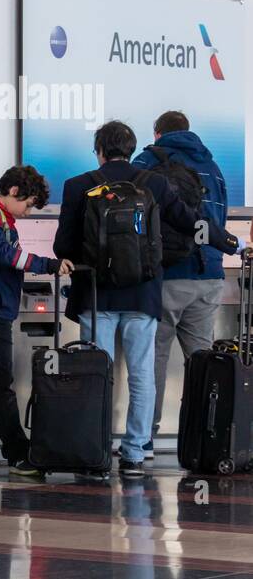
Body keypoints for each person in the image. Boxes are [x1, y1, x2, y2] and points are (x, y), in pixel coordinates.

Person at [53, 120, 242, 479]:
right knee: (142, 373)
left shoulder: (78, 186)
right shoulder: (154, 183)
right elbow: (191, 222)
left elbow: (62, 246)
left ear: (99, 150)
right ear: (131, 147)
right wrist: (231, 243)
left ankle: (95, 450)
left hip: (97, 294)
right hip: (143, 292)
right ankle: (135, 452)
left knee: (99, 373)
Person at [132, 110, 241, 458]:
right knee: (202, 362)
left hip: (166, 275)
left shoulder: (148, 160)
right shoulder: (214, 166)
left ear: (158, 132)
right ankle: (203, 438)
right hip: (208, 274)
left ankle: (145, 439)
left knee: (155, 357)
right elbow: (218, 221)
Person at [0, 165, 73, 473]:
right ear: (13, 191)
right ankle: (19, 455)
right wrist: (48, 264)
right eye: (28, 203)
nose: (27, 211)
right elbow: (3, 254)